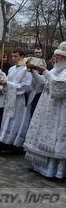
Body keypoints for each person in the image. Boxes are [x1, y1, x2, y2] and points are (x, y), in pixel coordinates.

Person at [24, 42, 66, 178]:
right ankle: (39, 165)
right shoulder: (55, 69)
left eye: (59, 56)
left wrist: (44, 71)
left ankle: (54, 170)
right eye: (56, 56)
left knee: (55, 137)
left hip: (59, 110)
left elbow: (59, 87)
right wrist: (34, 72)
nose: (56, 58)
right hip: (46, 107)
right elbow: (43, 83)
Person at [0, 48, 33, 153]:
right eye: (12, 56)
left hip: (20, 100)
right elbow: (8, 82)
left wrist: (7, 84)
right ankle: (4, 141)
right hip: (11, 99)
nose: (13, 58)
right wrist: (4, 84)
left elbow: (26, 87)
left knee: (17, 121)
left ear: (22, 57)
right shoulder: (12, 69)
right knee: (8, 120)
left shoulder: (27, 69)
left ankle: (16, 144)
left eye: (15, 56)